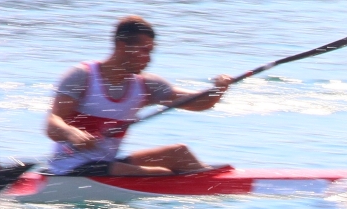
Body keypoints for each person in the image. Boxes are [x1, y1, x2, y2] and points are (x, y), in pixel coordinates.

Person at [44, 15, 233, 177]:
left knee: (179, 153)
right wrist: (72, 133)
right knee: (160, 173)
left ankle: (208, 185)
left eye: (150, 51)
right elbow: (52, 124)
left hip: (108, 163)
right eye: (144, 51)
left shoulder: (146, 85)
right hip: (70, 167)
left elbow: (199, 102)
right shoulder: (82, 76)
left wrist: (218, 89)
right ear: (121, 46)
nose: (149, 58)